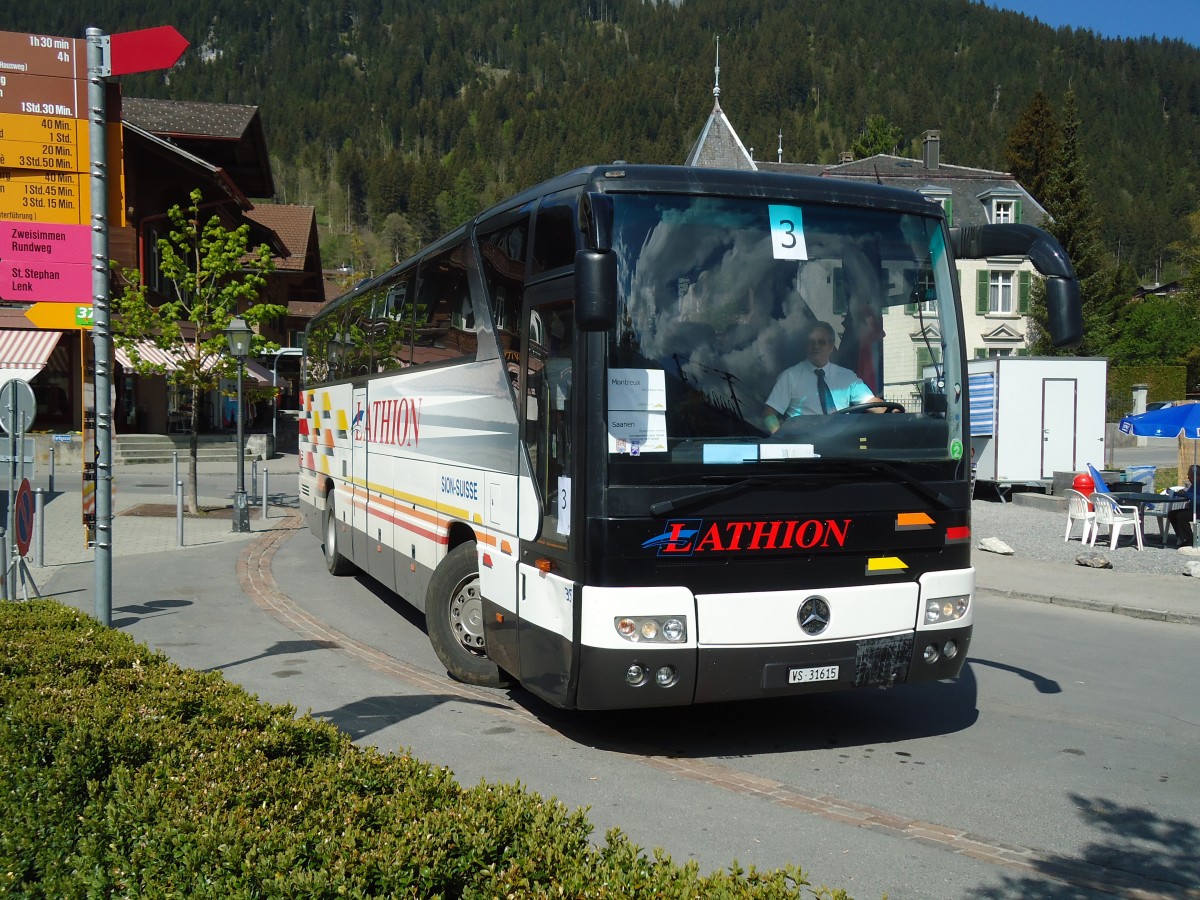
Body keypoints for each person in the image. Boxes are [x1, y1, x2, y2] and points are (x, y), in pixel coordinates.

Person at [762, 321, 881, 432]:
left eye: (821, 342)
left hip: (841, 443)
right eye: (811, 342)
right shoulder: (789, 377)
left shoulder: (848, 377)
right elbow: (769, 414)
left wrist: (891, 413)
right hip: (805, 444)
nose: (816, 346)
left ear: (831, 347)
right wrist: (782, 441)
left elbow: (873, 404)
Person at [1167, 464, 1200, 546]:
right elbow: (1187, 495)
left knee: (1181, 516)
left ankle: (1190, 539)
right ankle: (1182, 537)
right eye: (1188, 475)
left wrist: (1185, 493)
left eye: (1191, 476)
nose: (1188, 478)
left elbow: (1197, 499)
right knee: (1172, 514)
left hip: (1198, 510)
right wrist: (1174, 493)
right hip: (1193, 509)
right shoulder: (1194, 485)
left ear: (1198, 476)